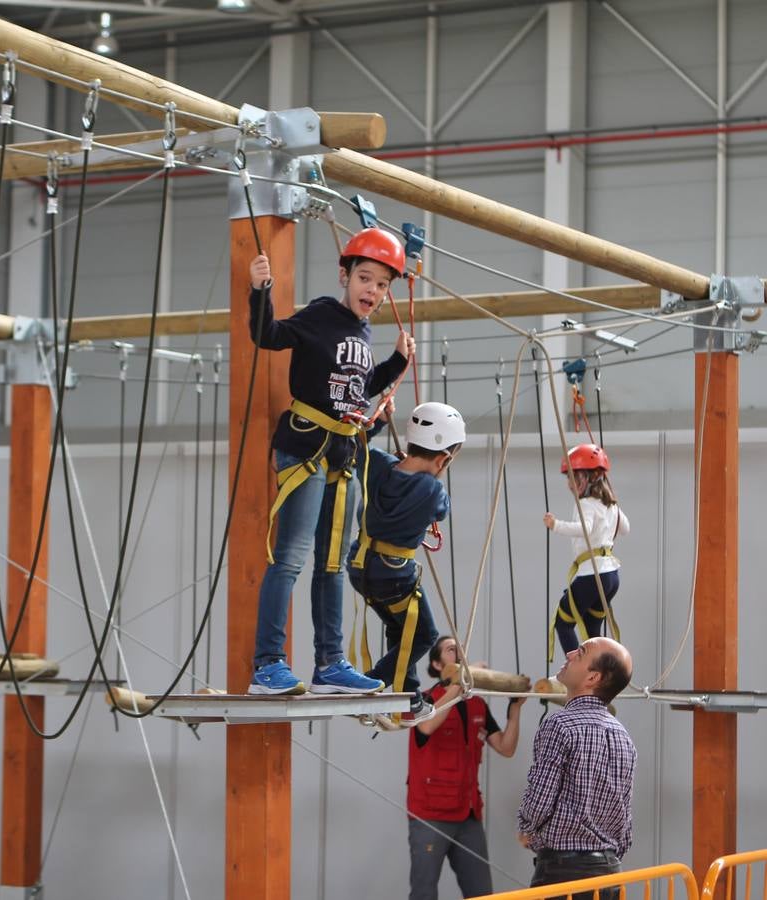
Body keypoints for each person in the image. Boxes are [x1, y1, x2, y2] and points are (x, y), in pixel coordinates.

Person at [247, 228, 416, 695]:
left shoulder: (363, 331)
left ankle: (330, 663)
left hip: (343, 454)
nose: (373, 292)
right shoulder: (322, 315)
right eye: (365, 279)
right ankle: (268, 663)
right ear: (344, 275)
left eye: (382, 285)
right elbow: (268, 334)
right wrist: (261, 291)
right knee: (291, 558)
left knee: (333, 565)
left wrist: (396, 365)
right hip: (306, 449)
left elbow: (358, 389)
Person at [348, 401, 464, 715]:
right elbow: (441, 510)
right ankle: (370, 684)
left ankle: (408, 694)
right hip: (393, 576)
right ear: (444, 458)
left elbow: (358, 445)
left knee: (401, 627)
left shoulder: (380, 465)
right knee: (424, 634)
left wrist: (382, 421)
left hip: (360, 568)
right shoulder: (432, 491)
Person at [516, 637, 636, 898]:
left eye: (580, 653)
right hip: (609, 871)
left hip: (564, 872)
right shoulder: (623, 735)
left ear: (593, 678)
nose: (569, 653)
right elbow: (624, 818)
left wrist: (526, 829)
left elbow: (540, 802)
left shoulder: (559, 725)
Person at [408, 636, 526, 900]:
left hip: (468, 814)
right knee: (423, 893)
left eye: (461, 650)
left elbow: (506, 747)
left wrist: (515, 709)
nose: (460, 654)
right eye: (452, 650)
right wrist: (458, 686)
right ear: (438, 664)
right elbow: (426, 726)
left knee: (482, 894)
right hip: (430, 814)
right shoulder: (424, 700)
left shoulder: (477, 705)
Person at [543, 443, 630, 660]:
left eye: (573, 478)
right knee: (593, 631)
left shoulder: (586, 504)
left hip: (591, 574)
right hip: (611, 576)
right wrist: (613, 510)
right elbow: (625, 529)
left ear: (588, 478)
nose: (569, 485)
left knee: (563, 623)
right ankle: (596, 671)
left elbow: (584, 529)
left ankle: (577, 669)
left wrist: (555, 525)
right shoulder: (610, 506)